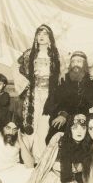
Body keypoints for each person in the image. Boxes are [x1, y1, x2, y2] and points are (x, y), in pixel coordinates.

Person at [15, 24, 61, 162]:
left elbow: (60, 76)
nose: (41, 36)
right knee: (30, 124)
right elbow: (16, 67)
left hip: (49, 94)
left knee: (44, 125)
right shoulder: (29, 53)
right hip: (32, 94)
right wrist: (24, 83)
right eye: (39, 34)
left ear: (50, 38)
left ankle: (40, 158)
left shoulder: (55, 55)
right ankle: (27, 158)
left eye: (45, 34)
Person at [45, 51, 93, 141]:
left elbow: (88, 103)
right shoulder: (63, 79)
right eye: (73, 61)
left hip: (84, 116)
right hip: (64, 116)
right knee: (55, 132)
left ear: (85, 64)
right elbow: (58, 101)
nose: (76, 64)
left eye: (79, 61)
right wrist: (63, 114)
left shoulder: (92, 81)